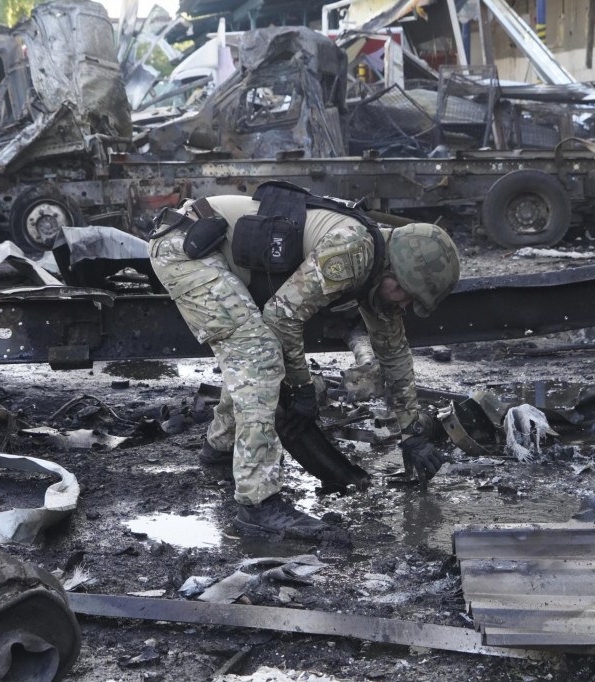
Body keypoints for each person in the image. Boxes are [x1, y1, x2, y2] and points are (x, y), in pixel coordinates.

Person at [149, 185, 460, 541]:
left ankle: (218, 451)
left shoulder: (381, 275)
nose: (404, 304)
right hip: (187, 247)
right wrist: (300, 387)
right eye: (406, 294)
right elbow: (281, 317)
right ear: (394, 270)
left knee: (253, 352)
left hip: (205, 245)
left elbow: (395, 356)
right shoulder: (353, 250)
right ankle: (258, 504)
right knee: (260, 356)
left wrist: (411, 435)